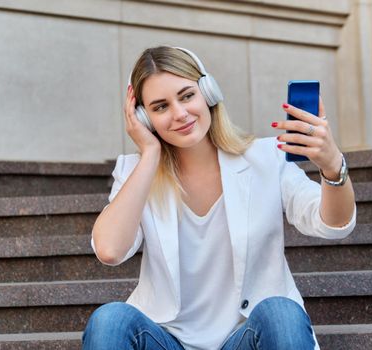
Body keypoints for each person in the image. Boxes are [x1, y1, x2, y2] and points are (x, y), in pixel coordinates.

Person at [83, 46, 356, 350]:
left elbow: (334, 224)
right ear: (144, 118)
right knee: (110, 320)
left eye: (187, 96)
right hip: (168, 341)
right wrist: (149, 155)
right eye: (160, 107)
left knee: (280, 312)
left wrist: (333, 166)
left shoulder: (265, 158)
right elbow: (109, 250)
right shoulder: (135, 171)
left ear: (208, 93)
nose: (180, 114)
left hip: (245, 340)